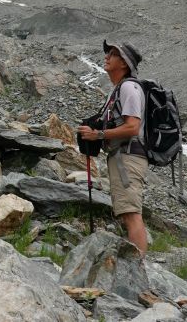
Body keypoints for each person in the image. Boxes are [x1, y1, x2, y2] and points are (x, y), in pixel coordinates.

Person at [77, 41, 148, 257]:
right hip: (121, 157)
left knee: (131, 214)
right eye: (107, 53)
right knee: (127, 213)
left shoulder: (129, 88)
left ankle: (138, 268)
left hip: (128, 157)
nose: (107, 57)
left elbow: (133, 127)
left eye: (114, 54)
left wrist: (98, 135)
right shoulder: (118, 90)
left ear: (125, 64)